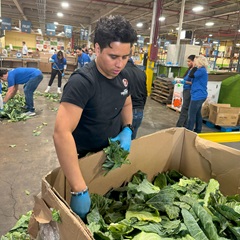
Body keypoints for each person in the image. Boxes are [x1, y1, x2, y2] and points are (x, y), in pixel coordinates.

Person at [53, 15, 137, 220]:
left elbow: (127, 101)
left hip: (107, 158)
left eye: (125, 57)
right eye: (113, 56)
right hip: (83, 162)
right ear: (97, 49)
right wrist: (78, 188)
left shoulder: (124, 77)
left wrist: (127, 128)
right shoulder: (83, 82)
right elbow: (61, 133)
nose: (120, 64)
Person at [123, 59, 147, 139]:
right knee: (132, 140)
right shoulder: (141, 73)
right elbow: (145, 93)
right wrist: (141, 107)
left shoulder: (122, 72)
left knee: (121, 141)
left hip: (125, 112)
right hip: (139, 110)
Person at [187, 55, 208, 133]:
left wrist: (194, 67)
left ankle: (188, 132)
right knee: (197, 114)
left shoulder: (201, 70)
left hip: (198, 95)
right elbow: (191, 79)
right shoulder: (201, 70)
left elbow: (191, 75)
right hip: (199, 94)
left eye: (195, 61)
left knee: (191, 114)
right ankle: (198, 130)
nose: (193, 62)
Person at [176, 55, 195, 127]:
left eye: (189, 61)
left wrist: (184, 82)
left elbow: (194, 82)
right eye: (187, 61)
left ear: (194, 61)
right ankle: (184, 125)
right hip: (186, 89)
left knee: (185, 108)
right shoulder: (190, 70)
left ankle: (180, 125)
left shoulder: (195, 71)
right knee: (185, 108)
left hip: (189, 91)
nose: (188, 63)